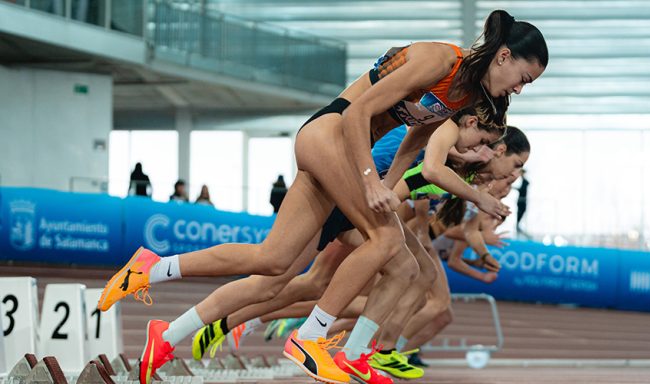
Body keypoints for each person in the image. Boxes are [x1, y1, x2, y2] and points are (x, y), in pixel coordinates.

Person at [97, 9, 547, 384]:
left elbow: (414, 139)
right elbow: (358, 112)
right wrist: (369, 180)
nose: (519, 89)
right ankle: (311, 339)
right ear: (503, 55)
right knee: (390, 245)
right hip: (332, 134)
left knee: (274, 262)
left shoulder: (465, 92)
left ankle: (157, 292)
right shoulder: (440, 60)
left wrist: (387, 186)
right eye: (523, 78)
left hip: (344, 150)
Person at [516, 168, 529, 237]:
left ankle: (518, 225)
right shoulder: (523, 181)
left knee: (521, 212)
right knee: (519, 213)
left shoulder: (525, 181)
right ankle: (517, 226)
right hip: (521, 200)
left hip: (523, 200)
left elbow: (523, 189)